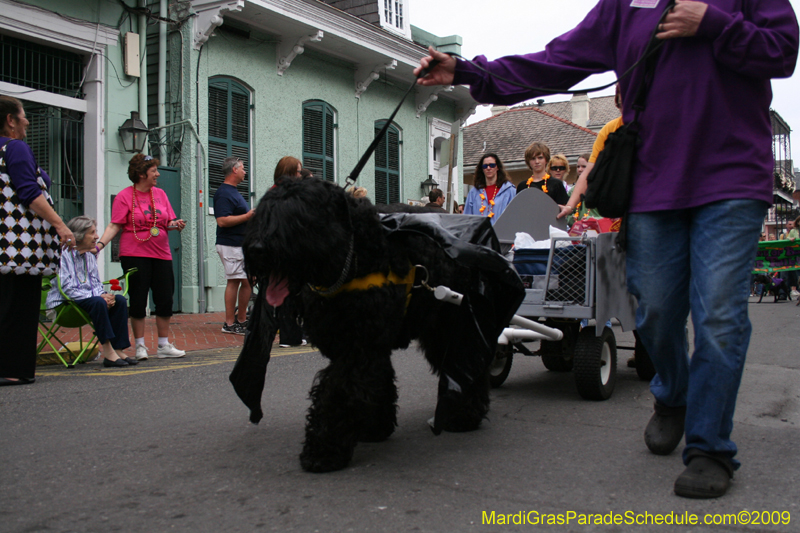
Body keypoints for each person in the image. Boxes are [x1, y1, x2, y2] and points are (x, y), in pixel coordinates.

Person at [415, 0, 799, 499]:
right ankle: (674, 396)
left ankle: (710, 449)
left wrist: (714, 23)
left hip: (731, 179)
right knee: (656, 310)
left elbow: (783, 50)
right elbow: (557, 60)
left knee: (719, 318)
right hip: (658, 184)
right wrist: (469, 73)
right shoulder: (626, 5)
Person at [0, 96, 76, 386]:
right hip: (19, 248)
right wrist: (59, 224)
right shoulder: (15, 147)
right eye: (23, 115)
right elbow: (29, 192)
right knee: (19, 307)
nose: (28, 121)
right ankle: (11, 368)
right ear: (10, 120)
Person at [97, 154, 187, 361]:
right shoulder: (124, 196)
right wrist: (101, 244)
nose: (158, 173)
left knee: (165, 298)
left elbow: (167, 221)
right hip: (134, 254)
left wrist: (176, 224)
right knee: (138, 299)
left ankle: (163, 345)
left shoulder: (161, 194)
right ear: (141, 174)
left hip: (161, 253)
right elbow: (115, 225)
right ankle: (140, 346)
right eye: (154, 170)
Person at [46, 216, 134, 367]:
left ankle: (118, 349)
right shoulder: (62, 255)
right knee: (98, 302)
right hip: (65, 304)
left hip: (88, 302)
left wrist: (105, 295)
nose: (97, 237)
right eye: (92, 232)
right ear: (79, 236)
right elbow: (67, 288)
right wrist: (100, 298)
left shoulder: (90, 255)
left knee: (119, 300)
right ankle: (108, 351)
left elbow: (95, 283)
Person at [214, 157, 255, 335]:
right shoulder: (224, 193)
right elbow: (222, 221)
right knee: (235, 280)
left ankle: (241, 320)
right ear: (234, 170)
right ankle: (230, 323)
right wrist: (247, 217)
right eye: (243, 168)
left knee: (248, 281)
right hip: (230, 244)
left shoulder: (233, 192)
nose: (245, 172)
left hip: (239, 244)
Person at [464, 153, 515, 223]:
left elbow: (514, 217)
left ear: (497, 167)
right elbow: (467, 218)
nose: (488, 168)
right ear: (482, 169)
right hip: (480, 233)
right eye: (485, 166)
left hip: (501, 232)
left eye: (492, 165)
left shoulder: (509, 190)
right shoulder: (474, 192)